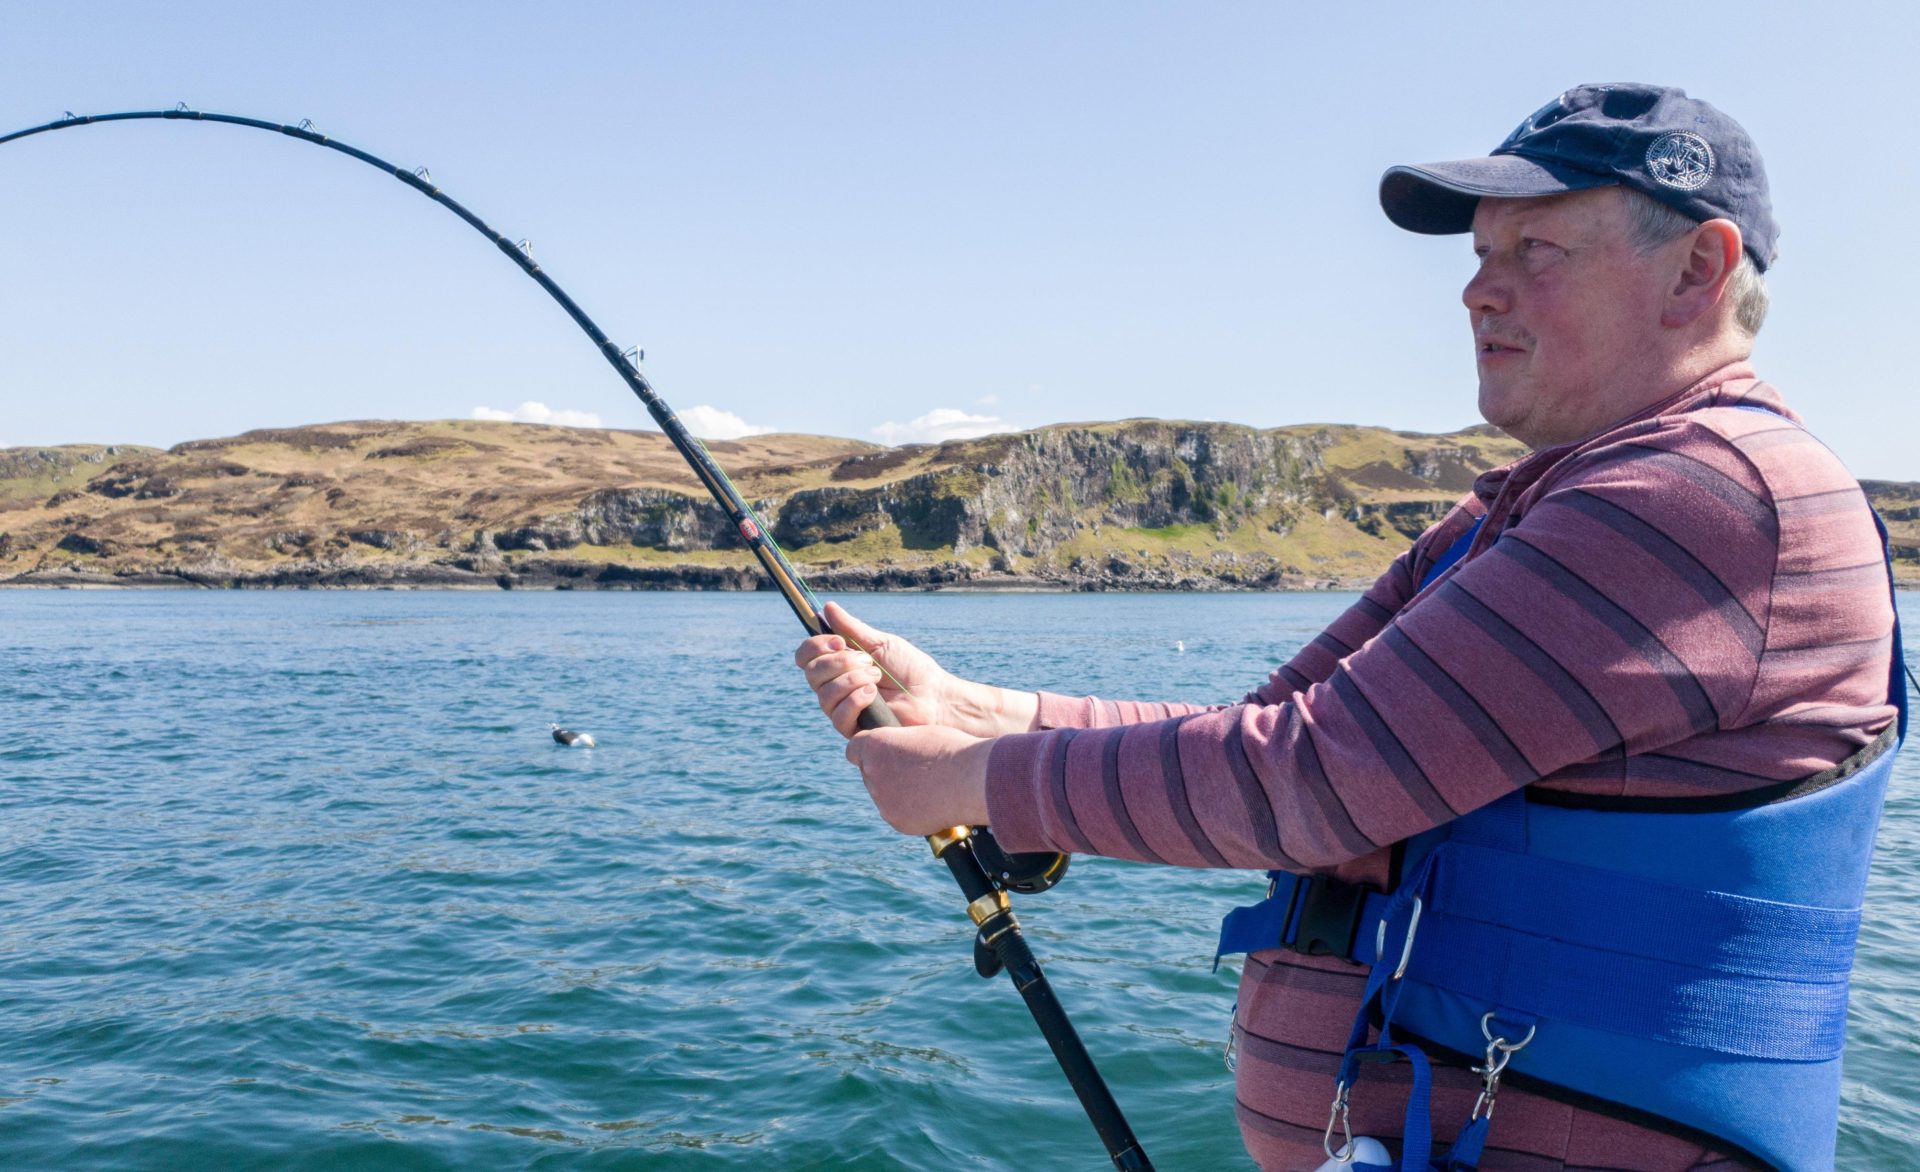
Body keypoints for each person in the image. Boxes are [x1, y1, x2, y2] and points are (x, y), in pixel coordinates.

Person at [794, 84, 1899, 1171]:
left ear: (1697, 271)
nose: (1478, 291)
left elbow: (1314, 781)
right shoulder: (1521, 508)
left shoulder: (1701, 498)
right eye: (1478, 254)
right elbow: (1273, 725)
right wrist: (976, 710)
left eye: (1535, 252)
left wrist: (974, 780)